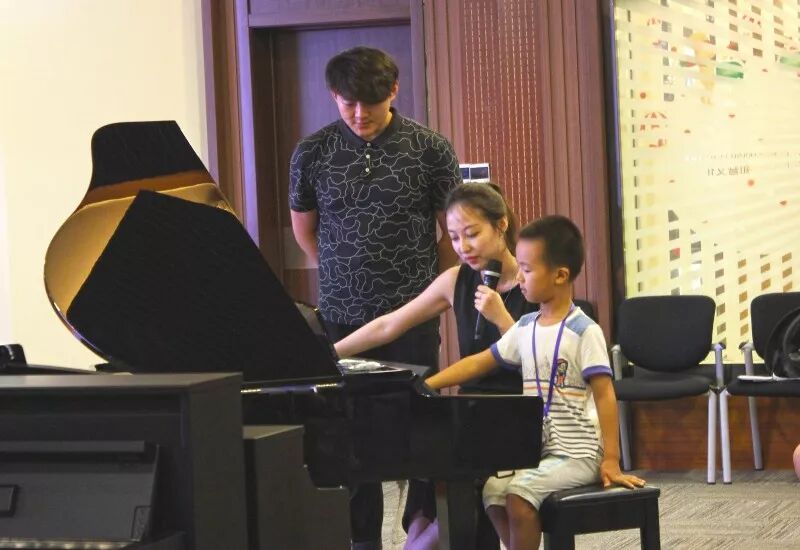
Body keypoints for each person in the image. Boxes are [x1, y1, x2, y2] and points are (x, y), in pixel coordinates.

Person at [288, 46, 461, 549]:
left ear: (394, 91)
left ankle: (420, 530)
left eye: (372, 102)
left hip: (412, 312)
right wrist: (345, 272)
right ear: (333, 96)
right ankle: (362, 538)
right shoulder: (313, 152)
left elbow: (451, 233)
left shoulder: (430, 148)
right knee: (348, 431)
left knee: (418, 421)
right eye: (349, 103)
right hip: (342, 316)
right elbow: (306, 232)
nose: (360, 114)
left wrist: (430, 291)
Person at [425, 215, 646, 550]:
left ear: (560, 275)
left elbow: (604, 394)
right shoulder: (526, 325)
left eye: (527, 270)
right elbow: (480, 361)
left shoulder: (583, 331)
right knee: (493, 492)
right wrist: (429, 384)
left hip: (579, 454)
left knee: (517, 494)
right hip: (540, 452)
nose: (519, 277)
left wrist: (611, 458)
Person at [336, 182, 536, 549]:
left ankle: (426, 542)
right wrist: (330, 352)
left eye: (472, 234)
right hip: (468, 407)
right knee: (426, 440)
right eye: (455, 238)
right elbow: (389, 324)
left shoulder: (532, 280)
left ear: (501, 225)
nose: (463, 247)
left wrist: (502, 317)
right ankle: (419, 537)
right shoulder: (456, 279)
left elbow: (542, 358)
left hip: (519, 410)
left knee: (454, 465)